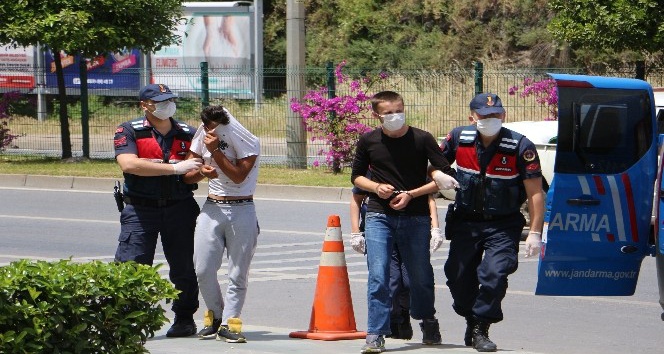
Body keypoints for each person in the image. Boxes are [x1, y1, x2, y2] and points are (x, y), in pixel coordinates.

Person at [350, 90, 457, 353]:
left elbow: (444, 175)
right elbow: (356, 178)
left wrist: (412, 194)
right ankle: (375, 332)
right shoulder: (368, 141)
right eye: (388, 113)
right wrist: (377, 188)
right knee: (379, 274)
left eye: (398, 110)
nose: (395, 116)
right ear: (377, 115)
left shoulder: (422, 138)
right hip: (379, 215)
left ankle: (427, 320)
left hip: (416, 216)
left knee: (420, 275)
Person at [440, 93, 545, 352]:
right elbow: (433, 163)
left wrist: (534, 232)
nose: (491, 119)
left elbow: (535, 193)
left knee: (495, 275)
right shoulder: (457, 138)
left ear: (504, 115)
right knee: (457, 275)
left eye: (496, 114)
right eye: (484, 116)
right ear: (472, 117)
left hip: (503, 224)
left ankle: (481, 327)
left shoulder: (521, 146)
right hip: (466, 221)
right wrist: (437, 175)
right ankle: (471, 315)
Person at [113, 83, 202, 337]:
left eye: (170, 100)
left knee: (184, 266)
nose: (167, 105)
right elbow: (130, 164)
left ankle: (185, 318)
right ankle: (128, 320)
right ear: (144, 105)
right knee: (133, 266)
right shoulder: (130, 130)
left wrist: (199, 171)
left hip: (180, 208)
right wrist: (174, 168)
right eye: (160, 101)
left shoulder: (188, 132)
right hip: (141, 210)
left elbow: (197, 168)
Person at [182, 105, 260, 344]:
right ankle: (215, 316)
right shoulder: (203, 136)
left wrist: (215, 151)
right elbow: (187, 175)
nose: (209, 132)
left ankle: (230, 322)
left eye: (214, 127)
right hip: (212, 207)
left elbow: (238, 176)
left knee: (238, 272)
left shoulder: (248, 140)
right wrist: (201, 173)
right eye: (206, 127)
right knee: (203, 269)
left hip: (242, 208)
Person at [350, 181, 445, 341]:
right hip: (382, 230)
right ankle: (394, 322)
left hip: (412, 227)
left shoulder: (413, 165)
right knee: (388, 280)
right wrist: (355, 232)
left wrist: (435, 228)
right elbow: (356, 199)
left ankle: (426, 320)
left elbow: (429, 199)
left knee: (414, 280)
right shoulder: (371, 169)